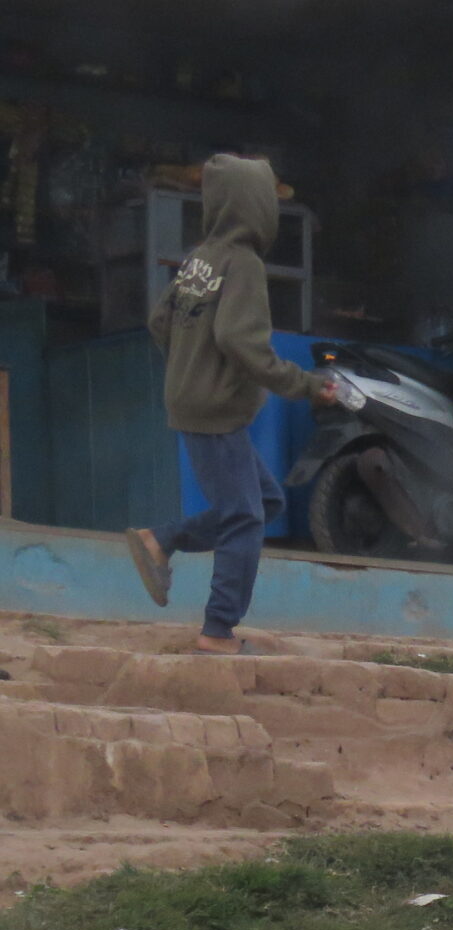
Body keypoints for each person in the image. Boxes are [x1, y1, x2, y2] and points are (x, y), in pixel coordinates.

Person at [123, 154, 338, 655]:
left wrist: (189, 369)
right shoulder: (243, 263)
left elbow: (161, 323)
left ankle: (162, 539)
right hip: (217, 411)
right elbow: (241, 342)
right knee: (244, 517)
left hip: (194, 402)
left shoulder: (202, 256)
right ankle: (218, 631)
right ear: (256, 208)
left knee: (263, 503)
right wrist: (306, 386)